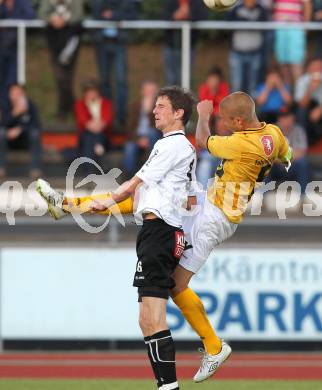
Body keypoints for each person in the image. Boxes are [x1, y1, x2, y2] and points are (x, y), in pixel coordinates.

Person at [37, 92, 292, 384]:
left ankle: (214, 345)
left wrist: (205, 115)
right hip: (210, 203)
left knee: (176, 284)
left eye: (226, 120)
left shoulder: (238, 143)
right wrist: (280, 158)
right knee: (148, 199)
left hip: (215, 217)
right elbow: (287, 153)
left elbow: (203, 140)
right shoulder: (273, 134)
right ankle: (66, 205)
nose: (223, 124)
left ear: (238, 121)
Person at [37, 86, 198, 390]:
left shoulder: (172, 145)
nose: (154, 111)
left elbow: (134, 183)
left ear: (178, 114)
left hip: (159, 233)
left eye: (161, 106)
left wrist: (108, 201)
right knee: (148, 319)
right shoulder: (182, 150)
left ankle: (169, 387)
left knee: (153, 317)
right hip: (160, 231)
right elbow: (187, 199)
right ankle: (167, 386)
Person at [91, 0, 138, 126]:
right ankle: (107, 116)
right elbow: (94, 13)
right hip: (102, 42)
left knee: (121, 81)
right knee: (104, 81)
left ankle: (121, 116)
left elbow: (133, 15)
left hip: (119, 42)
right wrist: (105, 16)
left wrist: (114, 15)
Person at [39, 0, 85, 120]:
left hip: (71, 38)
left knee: (68, 77)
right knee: (60, 77)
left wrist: (64, 20)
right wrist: (52, 19)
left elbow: (79, 14)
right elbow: (42, 13)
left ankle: (63, 110)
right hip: (54, 40)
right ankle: (72, 106)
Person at [197, 66, 230, 188]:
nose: (212, 83)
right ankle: (202, 198)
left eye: (215, 80)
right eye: (210, 80)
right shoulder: (204, 92)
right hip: (213, 148)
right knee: (205, 162)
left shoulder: (226, 94)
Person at [227, 0, 268, 95]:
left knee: (253, 87)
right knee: (236, 85)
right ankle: (235, 109)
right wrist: (248, 22)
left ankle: (252, 109)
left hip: (255, 52)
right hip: (237, 53)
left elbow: (263, 22)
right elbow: (228, 21)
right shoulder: (236, 8)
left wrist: (244, 21)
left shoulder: (261, 9)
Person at [0, 84, 42, 178]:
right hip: (8, 140)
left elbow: (36, 125)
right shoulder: (5, 106)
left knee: (35, 134)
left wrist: (20, 129)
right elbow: (3, 123)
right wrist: (15, 113)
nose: (16, 95)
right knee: (1, 133)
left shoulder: (31, 106)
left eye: (18, 93)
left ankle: (35, 169)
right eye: (13, 93)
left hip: (25, 140)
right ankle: (1, 168)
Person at [0, 0, 35, 110]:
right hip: (2, 47)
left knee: (12, 82)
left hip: (15, 48)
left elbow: (30, 15)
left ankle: (10, 114)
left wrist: (9, 22)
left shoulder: (22, 2)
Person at [163, 0, 208, 85]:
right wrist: (175, 16)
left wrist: (188, 16)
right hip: (171, 46)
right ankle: (171, 98)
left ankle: (185, 98)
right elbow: (163, 17)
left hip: (190, 47)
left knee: (187, 77)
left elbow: (203, 16)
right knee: (171, 78)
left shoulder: (196, 2)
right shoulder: (169, 2)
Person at [123, 80, 161, 177]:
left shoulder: (161, 108)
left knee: (152, 132)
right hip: (136, 137)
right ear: (142, 92)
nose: (150, 94)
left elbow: (159, 127)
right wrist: (138, 139)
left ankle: (152, 173)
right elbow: (129, 128)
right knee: (129, 148)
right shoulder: (134, 106)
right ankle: (130, 178)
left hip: (153, 137)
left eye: (153, 92)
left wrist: (149, 111)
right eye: (148, 91)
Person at [269, 107, 309, 194]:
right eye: (282, 117)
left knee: (302, 162)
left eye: (287, 117)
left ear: (292, 118)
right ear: (279, 119)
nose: (285, 120)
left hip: (293, 167)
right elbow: (269, 154)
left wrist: (281, 157)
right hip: (277, 167)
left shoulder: (299, 130)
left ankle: (303, 196)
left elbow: (301, 152)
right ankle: (261, 197)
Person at [74, 79, 114, 163]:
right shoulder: (80, 104)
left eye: (93, 91)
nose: (91, 94)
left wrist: (98, 126)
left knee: (94, 138)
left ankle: (90, 169)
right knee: (89, 138)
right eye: (89, 92)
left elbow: (107, 120)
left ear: (98, 92)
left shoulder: (106, 103)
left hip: (103, 134)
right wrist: (94, 126)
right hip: (86, 135)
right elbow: (83, 121)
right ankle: (98, 146)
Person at [273, 0, 312, 85]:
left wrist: (305, 27)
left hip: (295, 26)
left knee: (296, 62)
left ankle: (298, 95)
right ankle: (288, 93)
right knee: (282, 61)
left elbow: (307, 4)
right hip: (279, 26)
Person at [295, 58, 322, 145]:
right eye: (315, 68)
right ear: (308, 69)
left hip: (319, 108)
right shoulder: (302, 81)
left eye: (320, 68)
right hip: (308, 109)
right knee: (301, 111)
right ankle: (303, 141)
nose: (318, 70)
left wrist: (320, 109)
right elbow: (301, 104)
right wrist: (311, 88)